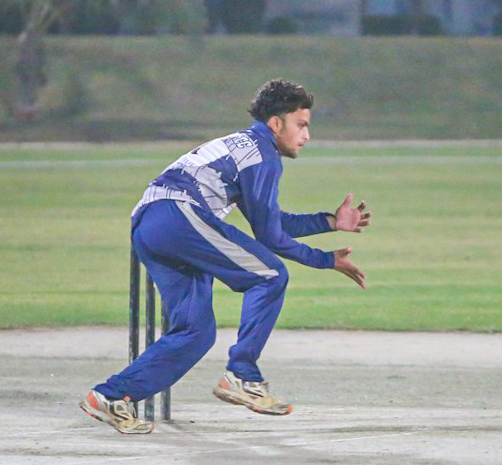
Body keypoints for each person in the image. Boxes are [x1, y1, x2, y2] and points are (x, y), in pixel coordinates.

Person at [79, 79, 369, 434]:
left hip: (152, 225)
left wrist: (329, 222)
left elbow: (271, 222)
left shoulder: (246, 147)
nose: (307, 135)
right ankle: (242, 375)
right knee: (270, 275)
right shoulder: (262, 155)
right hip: (178, 216)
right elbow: (270, 238)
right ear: (276, 123)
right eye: (301, 125)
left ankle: (110, 396)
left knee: (196, 333)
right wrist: (325, 260)